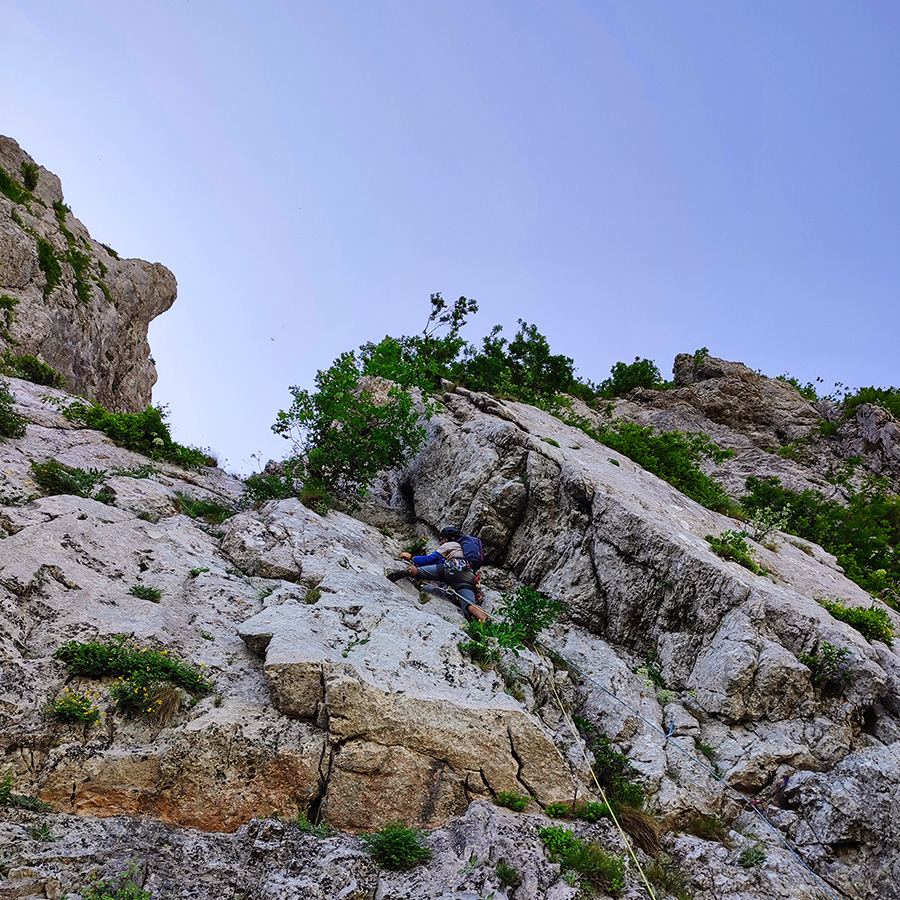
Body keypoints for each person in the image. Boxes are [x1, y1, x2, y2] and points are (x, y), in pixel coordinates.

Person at [386, 526, 488, 621]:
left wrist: (411, 557)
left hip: (450, 569)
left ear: (446, 539)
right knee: (469, 603)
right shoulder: (465, 552)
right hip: (468, 577)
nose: (440, 543)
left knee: (419, 572)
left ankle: (410, 571)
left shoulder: (449, 545)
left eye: (441, 540)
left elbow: (427, 560)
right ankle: (483, 619)